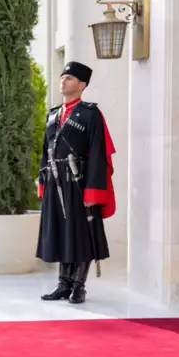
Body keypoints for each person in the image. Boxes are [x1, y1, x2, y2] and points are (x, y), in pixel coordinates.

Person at [36, 61, 116, 304]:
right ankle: (64, 284)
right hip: (55, 181)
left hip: (79, 183)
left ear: (82, 85)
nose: (63, 80)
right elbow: (45, 152)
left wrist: (93, 190)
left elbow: (98, 154)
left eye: (69, 78)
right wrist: (42, 183)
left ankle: (79, 286)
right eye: (62, 76)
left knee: (82, 234)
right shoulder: (52, 115)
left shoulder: (91, 114)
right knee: (62, 232)